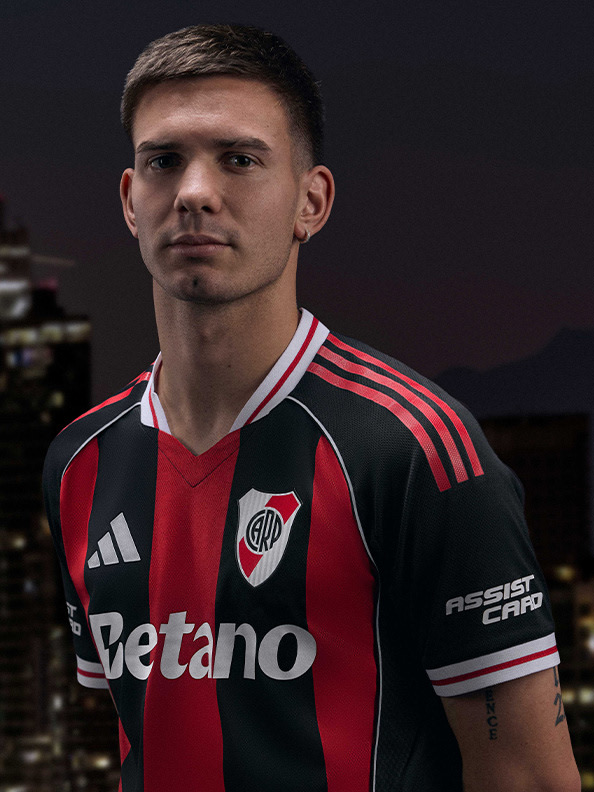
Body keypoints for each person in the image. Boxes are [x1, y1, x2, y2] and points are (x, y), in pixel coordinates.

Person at [43, 24, 580, 792]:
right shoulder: (78, 463)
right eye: (164, 161)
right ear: (131, 202)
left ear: (311, 200)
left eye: (239, 159)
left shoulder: (413, 449)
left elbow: (527, 775)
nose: (194, 192)